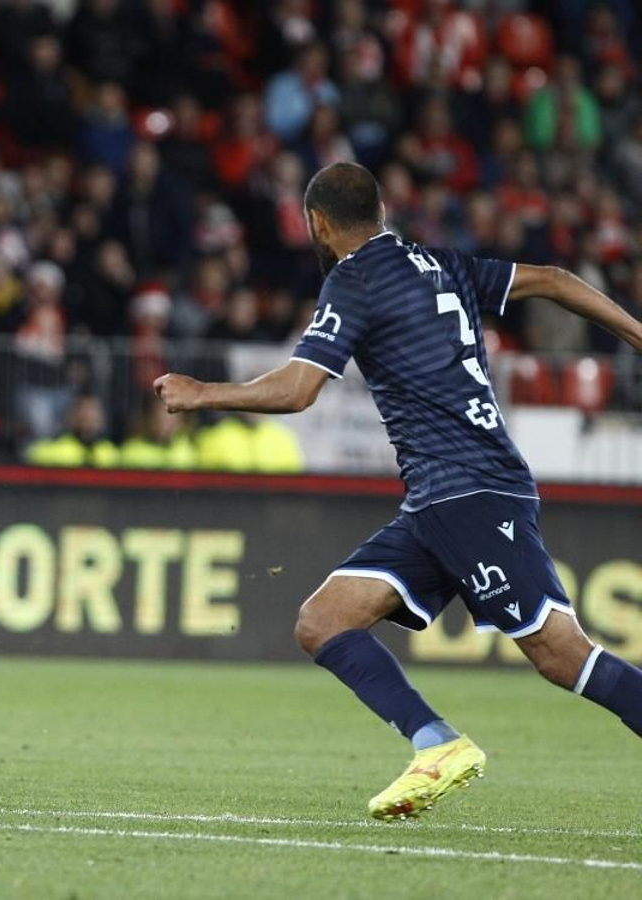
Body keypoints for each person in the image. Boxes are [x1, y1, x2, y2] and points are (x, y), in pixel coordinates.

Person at [155, 161, 642, 820]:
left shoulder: (353, 280)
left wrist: (203, 393)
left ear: (317, 225)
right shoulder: (444, 263)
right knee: (323, 621)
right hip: (441, 500)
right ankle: (436, 744)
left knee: (562, 655)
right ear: (381, 210)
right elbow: (553, 280)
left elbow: (299, 390)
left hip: (469, 493)